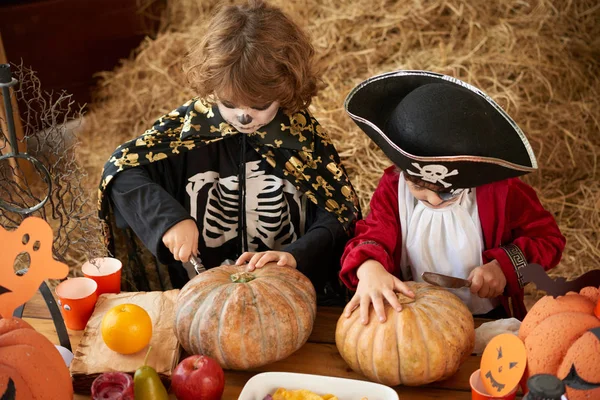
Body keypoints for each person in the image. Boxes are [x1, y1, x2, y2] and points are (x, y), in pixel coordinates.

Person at [97, 0, 361, 300]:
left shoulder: (301, 138)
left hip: (287, 293)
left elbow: (340, 213)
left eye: (260, 105)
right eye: (229, 104)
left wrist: (296, 255)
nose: (243, 117)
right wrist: (168, 219)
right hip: (202, 295)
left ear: (287, 89)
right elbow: (120, 169)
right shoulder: (189, 128)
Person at [339, 70, 565, 322]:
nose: (433, 200)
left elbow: (548, 239)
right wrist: (370, 268)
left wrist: (503, 267)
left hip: (489, 315)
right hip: (415, 317)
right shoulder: (394, 189)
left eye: (447, 192)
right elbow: (373, 234)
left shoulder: (501, 191)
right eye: (418, 186)